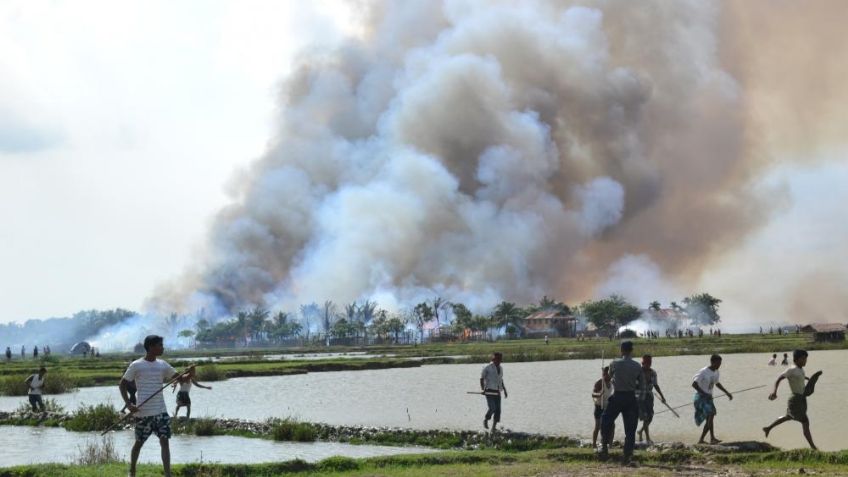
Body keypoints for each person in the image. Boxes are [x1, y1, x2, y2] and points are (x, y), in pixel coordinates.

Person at [120, 335, 184, 477]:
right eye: (159, 345)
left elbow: (180, 378)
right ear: (150, 347)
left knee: (165, 442)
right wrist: (129, 404)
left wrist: (189, 373)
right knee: (138, 443)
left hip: (161, 411)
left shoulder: (163, 365)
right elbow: (122, 384)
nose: (162, 347)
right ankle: (132, 471)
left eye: (162, 345)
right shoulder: (136, 365)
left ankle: (168, 474)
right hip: (143, 413)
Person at [762, 349, 823, 449]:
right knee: (805, 421)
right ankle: (813, 447)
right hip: (796, 399)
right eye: (803, 359)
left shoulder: (800, 369)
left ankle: (768, 428)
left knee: (788, 417)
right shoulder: (792, 369)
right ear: (797, 359)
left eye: (806, 359)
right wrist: (774, 391)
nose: (805, 361)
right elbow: (779, 378)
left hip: (800, 398)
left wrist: (806, 378)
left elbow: (799, 377)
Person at [599, 341, 642, 465]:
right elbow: (641, 385)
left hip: (618, 396)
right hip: (631, 398)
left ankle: (604, 447)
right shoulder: (637, 366)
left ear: (622, 350)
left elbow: (607, 381)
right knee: (630, 429)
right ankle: (627, 455)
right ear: (631, 350)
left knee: (606, 420)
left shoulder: (615, 363)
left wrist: (604, 374)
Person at [692, 354, 733, 444]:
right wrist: (704, 393)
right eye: (718, 363)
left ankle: (706, 439)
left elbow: (717, 383)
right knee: (711, 414)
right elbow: (694, 384)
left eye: (720, 363)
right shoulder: (704, 371)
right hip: (700, 397)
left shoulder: (716, 372)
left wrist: (727, 393)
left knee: (710, 417)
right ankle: (707, 439)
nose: (719, 365)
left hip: (709, 397)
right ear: (712, 362)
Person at [636, 354, 667, 444]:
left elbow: (656, 385)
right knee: (645, 417)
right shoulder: (638, 372)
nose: (648, 365)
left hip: (649, 397)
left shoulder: (653, 372)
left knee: (650, 417)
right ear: (643, 363)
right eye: (646, 363)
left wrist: (662, 396)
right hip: (639, 397)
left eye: (649, 363)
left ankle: (641, 431)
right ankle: (648, 438)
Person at [480, 352, 508, 433]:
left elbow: (500, 380)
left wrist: (505, 390)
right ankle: (486, 419)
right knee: (492, 408)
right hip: (489, 391)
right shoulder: (487, 367)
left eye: (500, 359)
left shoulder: (501, 368)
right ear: (493, 359)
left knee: (498, 410)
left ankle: (493, 427)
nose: (499, 361)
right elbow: (482, 378)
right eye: (497, 359)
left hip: (497, 391)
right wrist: (482, 389)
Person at [591, 366, 613, 449]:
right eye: (604, 373)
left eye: (607, 373)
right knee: (598, 426)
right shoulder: (600, 382)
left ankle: (610, 445)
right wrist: (599, 394)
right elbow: (593, 394)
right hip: (599, 407)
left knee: (612, 425)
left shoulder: (612, 382)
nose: (606, 375)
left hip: (608, 407)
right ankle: (594, 444)